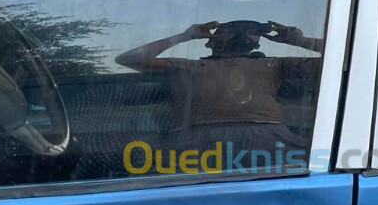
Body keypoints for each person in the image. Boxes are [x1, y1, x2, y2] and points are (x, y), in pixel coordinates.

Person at [116, 20, 323, 154]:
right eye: (230, 29)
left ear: (258, 43)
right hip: (198, 142)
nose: (241, 33)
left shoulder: (274, 65)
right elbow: (129, 59)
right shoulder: (190, 66)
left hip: (268, 139)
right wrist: (184, 36)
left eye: (251, 30)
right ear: (209, 41)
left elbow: (344, 60)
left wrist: (299, 40)